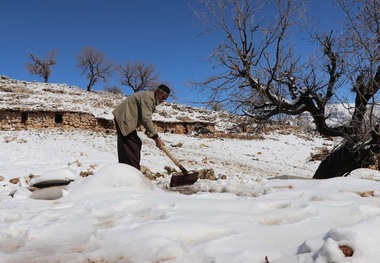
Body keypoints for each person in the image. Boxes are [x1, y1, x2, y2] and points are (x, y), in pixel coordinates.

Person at [112, 84, 170, 171]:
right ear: (158, 92)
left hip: (125, 119)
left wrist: (150, 132)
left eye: (165, 99)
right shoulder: (148, 98)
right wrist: (156, 138)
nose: (163, 100)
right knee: (132, 145)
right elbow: (146, 118)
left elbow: (144, 117)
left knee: (129, 145)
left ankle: (126, 169)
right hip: (124, 119)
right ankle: (133, 171)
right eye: (162, 97)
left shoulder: (151, 99)